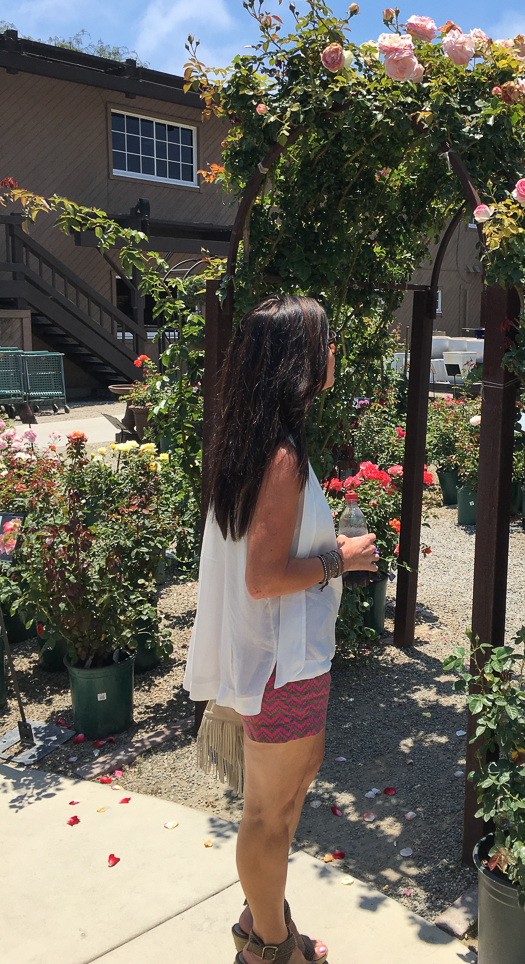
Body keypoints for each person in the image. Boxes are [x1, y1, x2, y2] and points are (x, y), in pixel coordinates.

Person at [183, 295, 378, 964]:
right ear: (300, 362)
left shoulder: (250, 439)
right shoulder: (281, 456)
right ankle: (270, 947)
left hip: (278, 657)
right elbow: (263, 576)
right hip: (282, 662)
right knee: (270, 814)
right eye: (326, 343)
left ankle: (261, 918)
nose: (333, 355)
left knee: (283, 802)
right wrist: (340, 558)